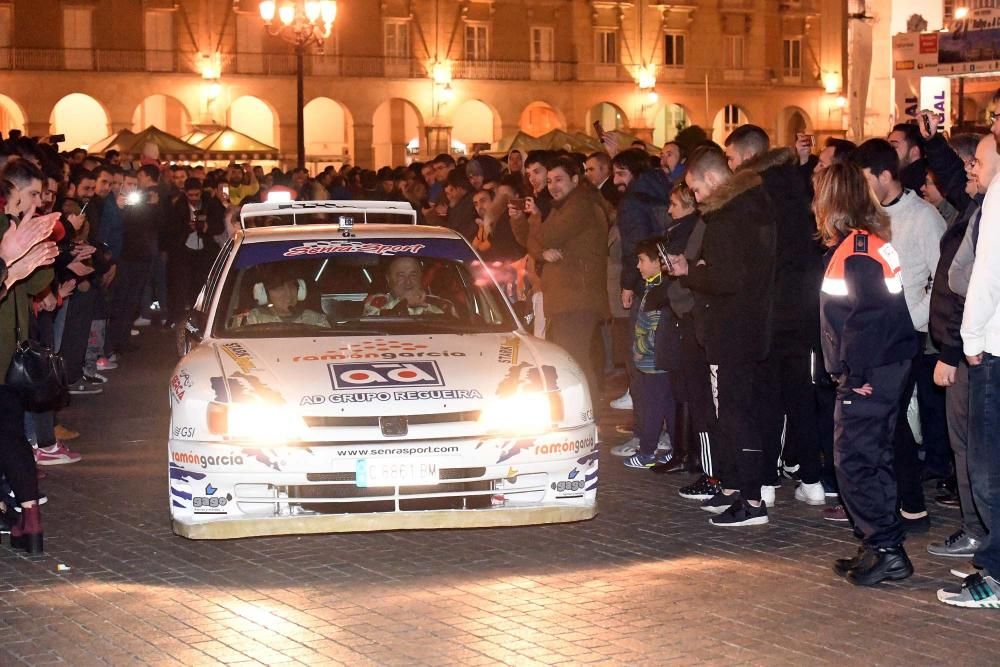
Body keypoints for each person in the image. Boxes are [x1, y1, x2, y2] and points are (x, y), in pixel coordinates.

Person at [815, 161, 919, 586]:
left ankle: (888, 549)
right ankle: (878, 544)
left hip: (871, 370)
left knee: (856, 461)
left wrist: (854, 374)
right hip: (884, 365)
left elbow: (867, 318)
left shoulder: (858, 249)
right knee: (871, 458)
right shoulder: (867, 242)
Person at [668, 145, 777, 527]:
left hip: (735, 328)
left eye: (696, 190)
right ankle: (735, 488)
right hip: (746, 325)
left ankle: (751, 499)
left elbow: (728, 277)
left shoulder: (730, 216)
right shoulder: (749, 205)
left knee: (735, 412)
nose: (695, 199)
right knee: (732, 410)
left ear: (712, 180)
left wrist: (693, 272)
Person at [852, 138, 948, 531]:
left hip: (905, 336)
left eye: (865, 179)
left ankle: (911, 504)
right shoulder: (867, 216)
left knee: (890, 421)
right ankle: (897, 501)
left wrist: (913, 318)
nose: (861, 187)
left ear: (885, 175)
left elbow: (943, 277)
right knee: (883, 421)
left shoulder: (922, 217)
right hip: (873, 335)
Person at [940, 101, 1000, 608]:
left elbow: (981, 276)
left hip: (992, 350)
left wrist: (971, 343)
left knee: (987, 466)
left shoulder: (999, 196)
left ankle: (996, 575)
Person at [523, 156, 609, 396]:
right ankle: (581, 414)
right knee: (571, 361)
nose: (552, 186)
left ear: (575, 179)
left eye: (559, 180)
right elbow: (534, 242)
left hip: (576, 296)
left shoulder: (578, 206)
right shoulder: (564, 206)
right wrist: (540, 250)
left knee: (576, 361)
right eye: (549, 181)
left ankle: (587, 417)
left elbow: (543, 237)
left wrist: (537, 224)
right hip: (566, 297)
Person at [623, 237, 674, 470]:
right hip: (653, 360)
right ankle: (675, 449)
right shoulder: (651, 287)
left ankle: (647, 452)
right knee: (666, 405)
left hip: (654, 361)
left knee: (654, 406)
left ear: (657, 262)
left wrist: (640, 351)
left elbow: (652, 328)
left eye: (642, 260)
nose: (638, 266)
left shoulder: (659, 291)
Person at [235, 265, 327, 327]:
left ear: (300, 291)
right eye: (279, 288)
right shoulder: (254, 320)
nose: (288, 294)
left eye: (292, 286)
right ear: (264, 293)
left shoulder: (316, 320)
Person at [363, 256, 455, 317]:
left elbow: (456, 331)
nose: (408, 282)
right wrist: (404, 304)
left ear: (421, 277)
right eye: (401, 275)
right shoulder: (377, 302)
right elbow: (371, 327)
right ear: (388, 279)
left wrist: (428, 308)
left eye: (413, 275)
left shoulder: (442, 304)